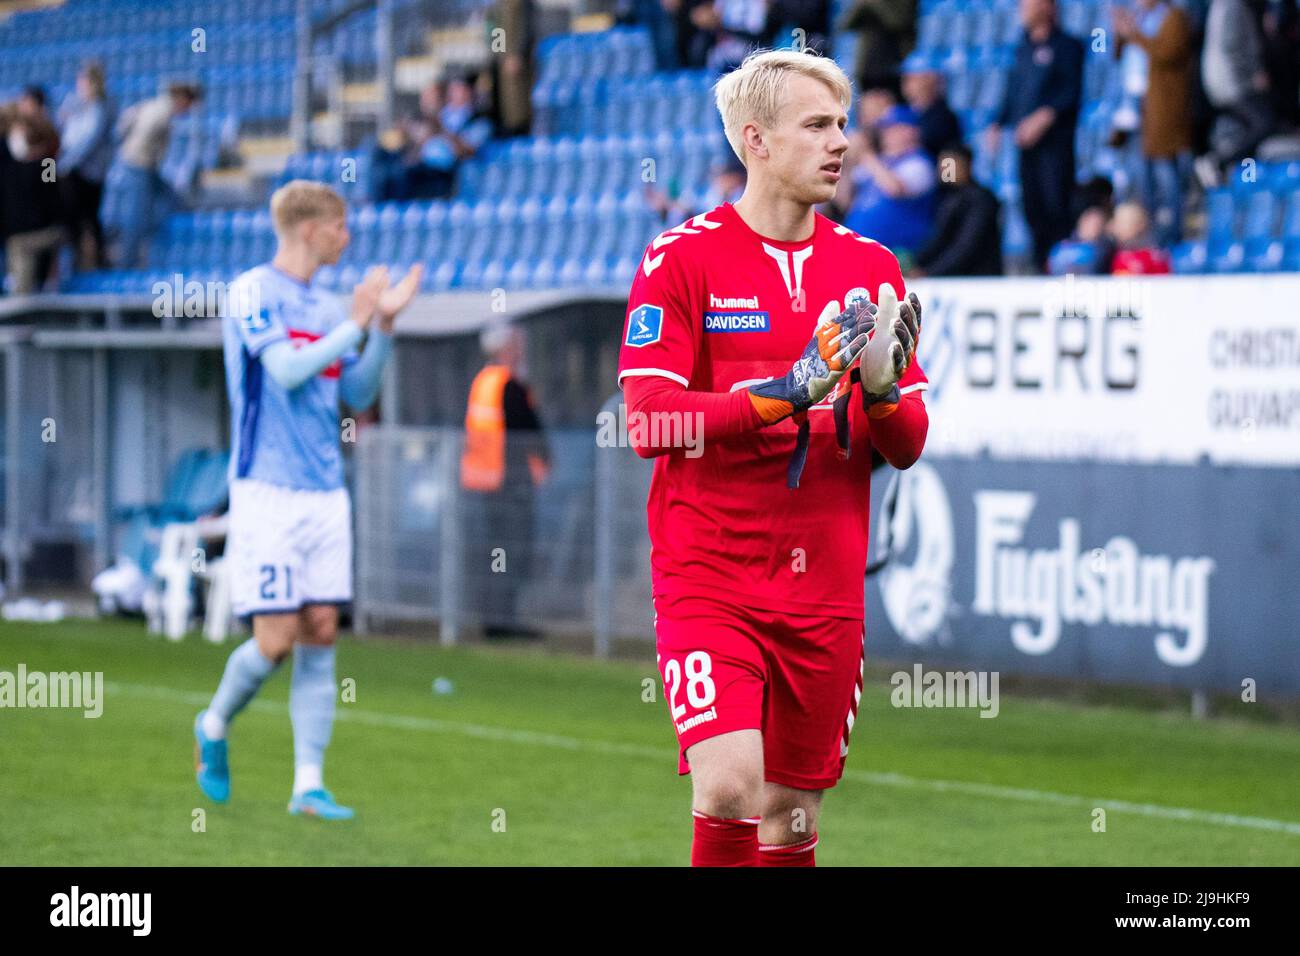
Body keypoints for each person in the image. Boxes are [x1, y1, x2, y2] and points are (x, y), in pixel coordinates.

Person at [617, 49, 928, 866]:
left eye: (842, 125)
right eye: (818, 126)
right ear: (754, 140)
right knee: (728, 788)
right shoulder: (679, 257)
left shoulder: (870, 267)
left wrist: (886, 391)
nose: (841, 144)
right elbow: (649, 420)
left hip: (824, 588)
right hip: (708, 573)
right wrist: (787, 391)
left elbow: (907, 447)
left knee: (790, 819)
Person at [193, 181, 423, 820]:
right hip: (266, 491)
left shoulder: (328, 306)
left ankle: (307, 785)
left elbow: (355, 392)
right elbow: (287, 372)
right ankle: (213, 725)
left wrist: (383, 326)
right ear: (306, 228)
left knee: (321, 629)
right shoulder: (252, 292)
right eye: (339, 225)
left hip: (325, 493)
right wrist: (353, 323)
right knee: (275, 640)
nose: (346, 237)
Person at [460, 323, 550, 640]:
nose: (520, 351)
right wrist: (544, 457)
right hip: (506, 484)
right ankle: (502, 620)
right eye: (514, 345)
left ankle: (499, 618)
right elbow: (528, 430)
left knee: (499, 553)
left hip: (490, 483)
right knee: (510, 552)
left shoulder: (487, 382)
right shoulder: (507, 385)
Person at [987, 0, 1084, 271]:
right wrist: (998, 122)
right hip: (1025, 145)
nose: (1023, 8)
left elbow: (1071, 92)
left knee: (1056, 203)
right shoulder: (1023, 48)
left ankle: (1063, 266)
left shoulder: (1067, 46)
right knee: (1032, 207)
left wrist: (1044, 117)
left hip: (1055, 145)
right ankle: (1041, 265)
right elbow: (1013, 90)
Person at [1111, 0, 1194, 247]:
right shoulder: (1139, 18)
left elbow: (1167, 52)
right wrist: (1121, 30)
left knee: (1167, 179)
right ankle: (1148, 240)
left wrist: (1133, 34)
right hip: (1136, 114)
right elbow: (1118, 54)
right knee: (1141, 181)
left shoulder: (1174, 18)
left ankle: (1171, 238)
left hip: (1162, 112)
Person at [112, 81, 201, 268]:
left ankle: (150, 242)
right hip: (140, 166)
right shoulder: (161, 113)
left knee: (168, 198)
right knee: (135, 216)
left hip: (142, 166)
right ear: (183, 100)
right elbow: (142, 136)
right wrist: (144, 156)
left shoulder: (154, 106)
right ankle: (127, 263)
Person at [842, 104, 938, 267]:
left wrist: (865, 153)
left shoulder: (919, 163)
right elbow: (844, 201)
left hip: (897, 255)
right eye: (885, 129)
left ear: (911, 130)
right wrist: (848, 162)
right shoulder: (879, 162)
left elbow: (894, 188)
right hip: (859, 253)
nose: (886, 134)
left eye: (892, 128)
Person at [1198, 0, 1275, 186]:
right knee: (1264, 123)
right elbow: (1232, 46)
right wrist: (1254, 73)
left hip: (1220, 82)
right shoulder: (1233, 6)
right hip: (1232, 83)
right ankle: (1218, 161)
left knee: (1246, 130)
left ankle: (1243, 177)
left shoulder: (1221, 5)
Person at [57, 62, 114, 270]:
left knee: (89, 217)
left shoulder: (100, 108)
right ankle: (77, 260)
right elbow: (65, 132)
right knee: (74, 218)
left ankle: (96, 261)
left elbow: (88, 141)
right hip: (76, 171)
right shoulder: (77, 106)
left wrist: (65, 163)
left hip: (89, 174)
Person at [912, 144, 1003, 276]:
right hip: (954, 277)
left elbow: (966, 246)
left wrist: (929, 272)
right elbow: (938, 240)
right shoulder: (949, 198)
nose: (945, 170)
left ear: (968, 165)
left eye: (950, 164)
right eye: (942, 164)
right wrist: (914, 263)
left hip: (979, 279)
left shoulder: (980, 199)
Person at [0, 109, 64, 294]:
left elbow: (53, 197)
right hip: (20, 235)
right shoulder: (10, 164)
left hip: (39, 233)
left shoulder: (46, 164)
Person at [837, 0, 917, 92]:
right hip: (866, 64)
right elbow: (845, 25)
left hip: (892, 64)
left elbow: (898, 22)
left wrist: (875, 2)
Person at [900, 53, 962, 159]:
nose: (906, 83)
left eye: (912, 78)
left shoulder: (943, 117)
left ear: (931, 80)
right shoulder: (904, 111)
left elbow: (949, 167)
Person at [1108, 200, 1171, 274]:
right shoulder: (1108, 251)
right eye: (1117, 221)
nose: (1117, 227)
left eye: (1124, 222)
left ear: (1140, 225)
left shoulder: (1153, 257)